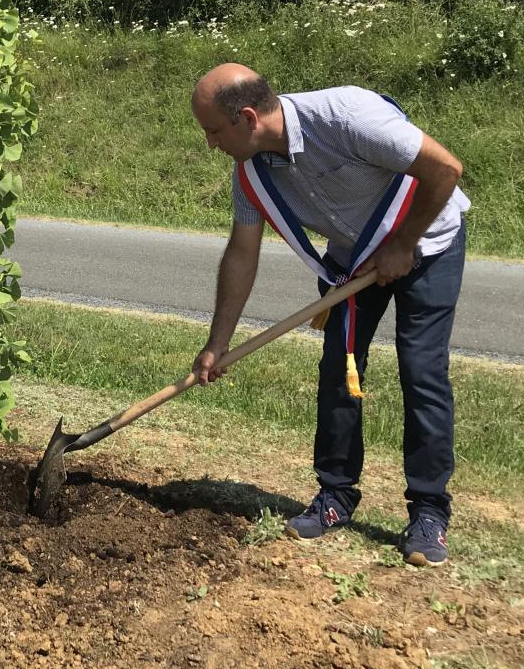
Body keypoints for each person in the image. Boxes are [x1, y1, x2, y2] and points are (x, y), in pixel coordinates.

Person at [189, 64, 469, 567]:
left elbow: (445, 169)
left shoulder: (346, 115)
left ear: (247, 117)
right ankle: (336, 497)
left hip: (427, 243)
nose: (210, 143)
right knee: (339, 370)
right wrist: (218, 342)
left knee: (421, 369)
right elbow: (241, 253)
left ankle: (429, 513)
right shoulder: (251, 172)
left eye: (213, 130)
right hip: (357, 262)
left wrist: (404, 243)